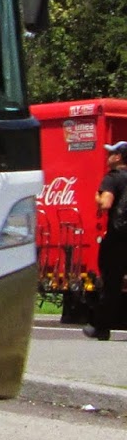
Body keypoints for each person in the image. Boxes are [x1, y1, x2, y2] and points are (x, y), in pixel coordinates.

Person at [85, 140, 127, 340]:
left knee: (111, 284)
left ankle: (101, 328)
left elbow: (106, 204)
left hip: (118, 238)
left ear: (118, 157)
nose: (107, 156)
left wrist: (97, 197)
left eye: (111, 153)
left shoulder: (112, 178)